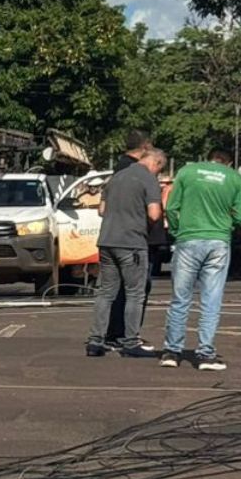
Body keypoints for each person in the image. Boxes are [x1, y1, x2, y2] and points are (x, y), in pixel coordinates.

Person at [161, 149, 241, 372]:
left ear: (206, 157)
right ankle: (205, 353)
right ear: (228, 163)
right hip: (218, 241)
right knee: (211, 300)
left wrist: (175, 230)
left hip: (188, 239)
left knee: (180, 298)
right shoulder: (234, 178)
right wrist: (227, 223)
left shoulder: (187, 172)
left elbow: (171, 207)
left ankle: (172, 351)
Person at [86, 148, 165, 358]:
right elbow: (155, 213)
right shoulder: (147, 179)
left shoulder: (116, 177)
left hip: (107, 240)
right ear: (155, 163)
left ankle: (96, 340)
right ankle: (130, 342)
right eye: (159, 170)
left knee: (105, 292)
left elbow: (101, 210)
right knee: (135, 293)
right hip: (132, 242)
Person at [104, 129, 155, 347]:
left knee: (113, 290)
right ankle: (126, 335)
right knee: (133, 289)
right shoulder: (137, 172)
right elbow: (152, 211)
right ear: (145, 148)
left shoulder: (119, 168)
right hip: (131, 239)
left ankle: (110, 334)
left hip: (112, 236)